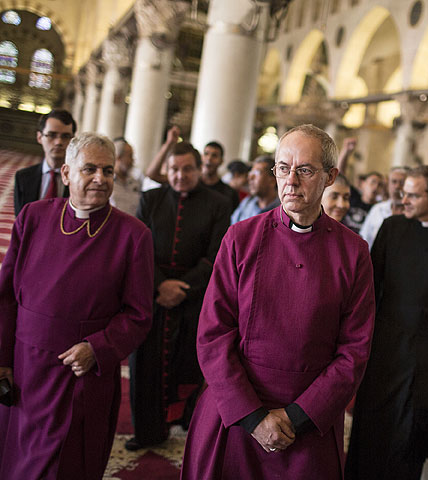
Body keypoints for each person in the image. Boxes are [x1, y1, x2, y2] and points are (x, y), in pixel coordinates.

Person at [181, 124, 376, 480]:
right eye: (283, 168)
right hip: (235, 412)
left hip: (307, 421)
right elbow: (213, 333)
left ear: (330, 176)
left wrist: (296, 417)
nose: (291, 180)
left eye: (305, 170)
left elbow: (354, 352)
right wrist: (253, 417)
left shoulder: (353, 252)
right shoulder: (240, 237)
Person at [0, 132, 154, 479]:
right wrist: (2, 359)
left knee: (67, 465)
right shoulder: (33, 217)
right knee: (17, 460)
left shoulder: (133, 235)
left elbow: (139, 315)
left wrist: (96, 348)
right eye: (90, 169)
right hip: (27, 370)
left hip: (81, 373)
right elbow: (6, 295)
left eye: (108, 171)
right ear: (67, 174)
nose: (101, 178)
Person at [345, 165, 428, 480]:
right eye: (403, 193)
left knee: (414, 424)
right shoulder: (391, 228)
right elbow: (371, 285)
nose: (404, 200)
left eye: (414, 195)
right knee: (374, 418)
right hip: (385, 340)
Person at [126, 142, 231, 451]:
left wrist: (182, 287)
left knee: (189, 365)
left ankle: (185, 425)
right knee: (144, 365)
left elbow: (216, 255)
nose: (180, 175)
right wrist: (160, 286)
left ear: (199, 170)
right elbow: (138, 249)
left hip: (193, 298)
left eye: (187, 169)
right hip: (152, 295)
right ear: (166, 170)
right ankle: (147, 431)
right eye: (174, 169)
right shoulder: (151, 199)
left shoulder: (218, 203)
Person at [13, 109, 76, 215]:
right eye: (52, 135)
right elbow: (20, 220)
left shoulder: (78, 179)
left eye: (65, 136)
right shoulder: (23, 177)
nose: (58, 142)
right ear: (39, 137)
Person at [360, 166, 409, 248]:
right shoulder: (377, 209)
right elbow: (364, 237)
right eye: (394, 182)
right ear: (388, 185)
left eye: (402, 183)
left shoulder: (413, 213)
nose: (397, 186)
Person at [230, 155, 280, 224]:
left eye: (257, 172)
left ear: (272, 181)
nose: (250, 177)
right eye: (251, 173)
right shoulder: (246, 203)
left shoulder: (282, 211)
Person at [201, 141, 240, 209]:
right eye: (206, 154)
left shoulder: (230, 194)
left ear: (221, 161)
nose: (209, 158)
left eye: (214, 155)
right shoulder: (191, 187)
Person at [109, 137, 143, 216]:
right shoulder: (107, 182)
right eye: (130, 156)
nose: (132, 160)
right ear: (118, 158)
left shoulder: (136, 183)